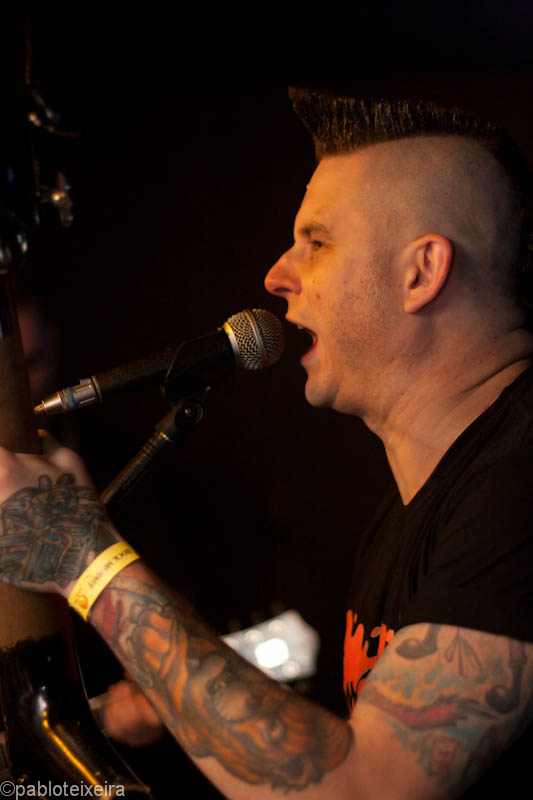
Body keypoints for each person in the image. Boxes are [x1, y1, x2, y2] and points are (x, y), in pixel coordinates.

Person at [0, 88, 531, 798]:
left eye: (318, 242)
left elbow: (366, 788)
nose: (277, 275)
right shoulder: (413, 511)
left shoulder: (519, 487)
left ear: (421, 272)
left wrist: (82, 560)